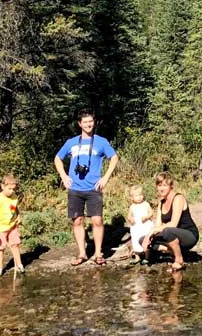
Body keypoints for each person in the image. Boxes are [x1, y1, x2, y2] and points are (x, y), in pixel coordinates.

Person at [54, 109, 118, 266]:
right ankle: (82, 253)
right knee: (77, 221)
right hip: (75, 188)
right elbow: (57, 158)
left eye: (91, 121)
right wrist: (64, 176)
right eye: (85, 122)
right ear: (80, 124)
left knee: (97, 220)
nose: (89, 124)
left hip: (93, 188)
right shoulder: (71, 142)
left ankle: (98, 254)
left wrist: (105, 178)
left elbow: (114, 158)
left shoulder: (101, 142)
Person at [141, 172, 199, 272]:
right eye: (159, 185)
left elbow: (173, 224)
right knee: (142, 239)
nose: (161, 188)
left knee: (168, 231)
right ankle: (173, 251)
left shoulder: (178, 198)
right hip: (173, 236)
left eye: (165, 185)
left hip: (189, 235)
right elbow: (158, 225)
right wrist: (148, 237)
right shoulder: (161, 202)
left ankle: (179, 260)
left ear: (171, 186)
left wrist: (152, 232)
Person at [0, 174, 23, 277]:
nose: (11, 191)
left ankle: (19, 264)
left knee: (15, 245)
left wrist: (18, 216)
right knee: (0, 248)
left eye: (13, 189)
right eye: (9, 189)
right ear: (3, 186)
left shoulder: (14, 196)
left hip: (12, 226)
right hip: (0, 229)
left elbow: (14, 208)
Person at [127, 184, 154, 263]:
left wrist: (147, 217)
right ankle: (137, 256)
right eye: (136, 196)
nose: (139, 197)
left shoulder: (146, 204)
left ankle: (147, 256)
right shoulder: (132, 206)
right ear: (132, 198)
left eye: (140, 195)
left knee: (146, 239)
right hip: (136, 226)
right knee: (135, 240)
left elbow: (151, 212)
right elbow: (129, 216)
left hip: (145, 225)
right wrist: (131, 219)